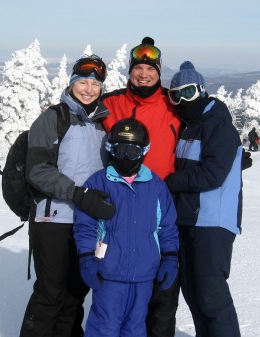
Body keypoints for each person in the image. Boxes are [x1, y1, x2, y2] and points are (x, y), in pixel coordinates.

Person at [20, 55, 116, 337]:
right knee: (50, 294)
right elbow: (37, 170)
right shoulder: (54, 118)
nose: (88, 89)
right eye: (83, 82)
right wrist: (77, 194)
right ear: (72, 83)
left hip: (87, 222)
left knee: (75, 295)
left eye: (95, 84)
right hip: (53, 219)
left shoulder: (103, 123)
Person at [101, 36, 181, 337]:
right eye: (138, 68)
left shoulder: (173, 106)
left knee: (162, 294)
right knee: (118, 291)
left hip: (161, 210)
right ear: (130, 71)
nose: (144, 74)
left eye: (150, 68)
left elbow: (203, 123)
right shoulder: (110, 104)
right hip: (118, 209)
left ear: (159, 73)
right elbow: (77, 114)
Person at [73, 118, 179, 337]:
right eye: (120, 150)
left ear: (143, 152)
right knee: (104, 327)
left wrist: (170, 256)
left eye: (133, 151)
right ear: (111, 150)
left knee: (135, 328)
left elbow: (167, 225)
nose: (126, 157)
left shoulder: (155, 185)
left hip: (144, 275)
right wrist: (85, 258)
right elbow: (85, 225)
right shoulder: (98, 183)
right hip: (109, 274)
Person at [164, 61, 243, 336]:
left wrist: (171, 181)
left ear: (202, 91)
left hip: (212, 223)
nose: (182, 101)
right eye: (176, 95)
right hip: (189, 220)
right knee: (195, 296)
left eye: (188, 93)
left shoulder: (217, 125)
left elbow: (212, 175)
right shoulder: (191, 126)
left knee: (211, 297)